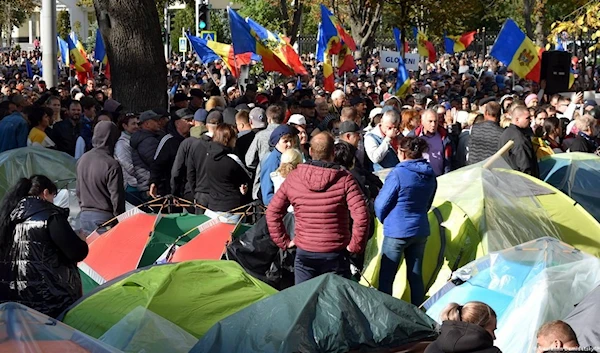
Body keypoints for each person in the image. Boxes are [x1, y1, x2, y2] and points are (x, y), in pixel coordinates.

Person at [266, 132, 369, 284]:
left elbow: (272, 211)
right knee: (336, 303)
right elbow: (361, 215)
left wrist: (284, 241)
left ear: (310, 152)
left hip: (305, 252)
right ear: (333, 153)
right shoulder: (345, 179)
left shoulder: (295, 177)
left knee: (305, 300)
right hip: (335, 253)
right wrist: (355, 246)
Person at [0, 175, 88, 318]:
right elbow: (76, 252)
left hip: (14, 301)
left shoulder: (9, 217)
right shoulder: (50, 216)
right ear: (45, 193)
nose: (54, 200)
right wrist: (81, 240)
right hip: (49, 299)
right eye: (53, 196)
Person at [374, 137, 437, 305]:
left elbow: (381, 204)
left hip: (397, 230)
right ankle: (419, 312)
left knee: (386, 278)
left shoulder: (398, 173)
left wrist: (384, 220)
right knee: (415, 276)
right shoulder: (430, 174)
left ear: (401, 152)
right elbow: (428, 203)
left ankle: (386, 314)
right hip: (420, 229)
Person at [77, 121, 126, 235]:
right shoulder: (111, 164)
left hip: (85, 214)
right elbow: (116, 196)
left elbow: (78, 189)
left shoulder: (83, 159)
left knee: (91, 251)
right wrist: (120, 218)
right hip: (104, 217)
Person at [204, 124, 252, 223]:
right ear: (228, 139)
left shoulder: (208, 157)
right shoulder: (232, 160)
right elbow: (247, 177)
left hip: (212, 207)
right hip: (232, 208)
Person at [149, 108, 194, 198]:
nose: (191, 123)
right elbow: (157, 164)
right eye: (187, 120)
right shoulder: (168, 141)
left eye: (192, 120)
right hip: (172, 190)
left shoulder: (194, 140)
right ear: (177, 123)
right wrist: (154, 182)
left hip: (190, 189)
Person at [425, 302, 501, 353]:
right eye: (492, 330)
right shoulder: (492, 351)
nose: (494, 337)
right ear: (479, 328)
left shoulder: (431, 349)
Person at [245, 105, 283, 200]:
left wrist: (258, 165)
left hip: (263, 180)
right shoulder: (289, 135)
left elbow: (249, 161)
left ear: (268, 119)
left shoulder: (260, 136)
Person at [260, 125, 299, 205]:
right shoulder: (272, 162)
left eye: (291, 140)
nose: (289, 144)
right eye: (285, 141)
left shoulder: (292, 156)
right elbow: (267, 197)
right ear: (276, 143)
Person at [498, 105, 539, 177]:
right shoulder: (519, 138)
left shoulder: (506, 133)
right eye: (527, 118)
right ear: (517, 119)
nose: (530, 120)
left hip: (508, 179)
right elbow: (525, 166)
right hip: (520, 181)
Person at [408, 109, 453, 176]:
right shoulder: (413, 137)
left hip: (441, 177)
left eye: (435, 121)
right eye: (430, 121)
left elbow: (450, 159)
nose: (433, 124)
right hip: (421, 178)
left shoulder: (444, 136)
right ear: (422, 122)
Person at [131, 110, 164, 199]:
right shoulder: (148, 141)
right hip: (150, 186)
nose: (159, 123)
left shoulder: (147, 138)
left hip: (146, 184)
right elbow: (156, 162)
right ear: (147, 124)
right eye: (155, 121)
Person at [115, 113, 142, 205]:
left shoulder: (135, 140)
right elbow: (127, 165)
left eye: (137, 123)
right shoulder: (122, 144)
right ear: (124, 126)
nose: (136, 126)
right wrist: (142, 175)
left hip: (139, 184)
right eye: (133, 124)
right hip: (131, 186)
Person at [269, 148, 303, 213]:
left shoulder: (275, 177)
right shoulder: (299, 179)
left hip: (280, 212)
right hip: (295, 214)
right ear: (299, 163)